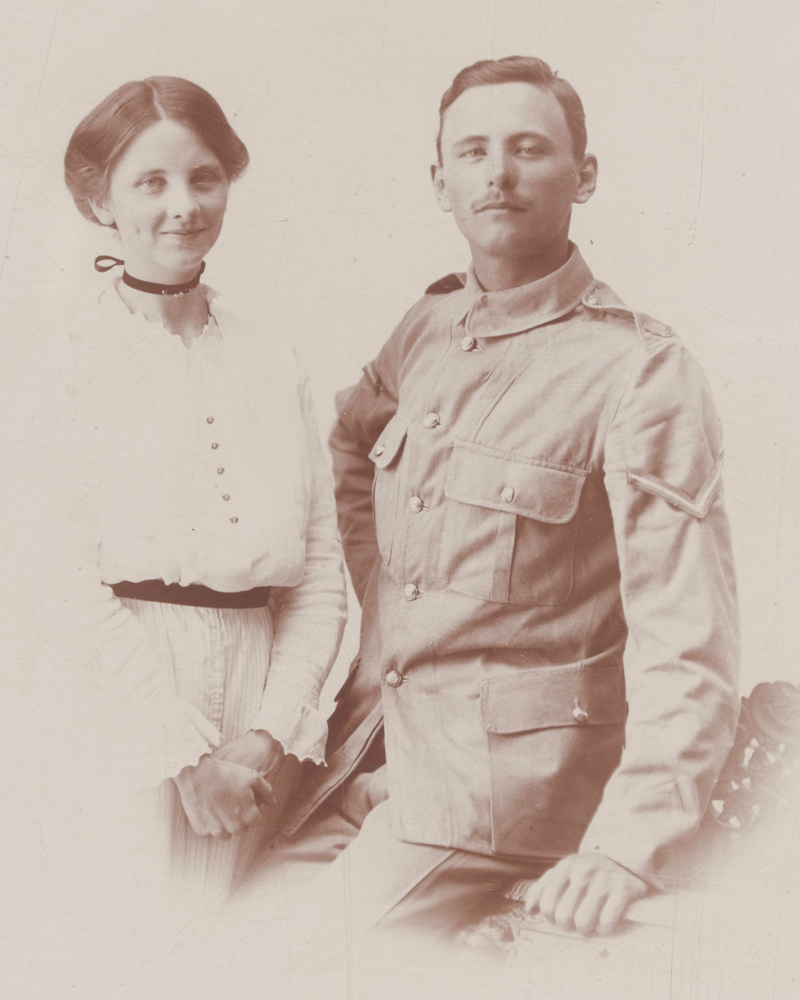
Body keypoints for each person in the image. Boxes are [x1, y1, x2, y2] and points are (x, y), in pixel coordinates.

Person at [272, 55, 741, 941]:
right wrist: (387, 605)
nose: (498, 173)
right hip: (379, 751)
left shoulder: (640, 371)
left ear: (585, 175)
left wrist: (628, 847)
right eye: (474, 151)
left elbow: (690, 637)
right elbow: (350, 447)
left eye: (529, 148)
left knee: (293, 967)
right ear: (440, 181)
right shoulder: (428, 327)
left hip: (510, 800)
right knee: (218, 925)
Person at [0, 76, 346, 991]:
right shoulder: (61, 361)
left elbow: (318, 573)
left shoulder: (276, 357)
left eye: (203, 177)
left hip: (257, 718)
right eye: (149, 183)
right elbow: (49, 577)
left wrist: (266, 737)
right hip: (113, 711)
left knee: (230, 963)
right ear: (97, 199)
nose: (182, 206)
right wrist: (186, 762)